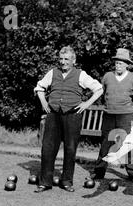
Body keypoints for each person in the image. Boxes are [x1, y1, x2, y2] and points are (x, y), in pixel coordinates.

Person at [34, 46, 103, 193]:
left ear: (74, 60)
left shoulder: (80, 74)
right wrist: (44, 103)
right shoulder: (53, 72)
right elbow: (39, 88)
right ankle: (45, 182)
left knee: (70, 149)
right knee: (48, 148)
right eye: (61, 59)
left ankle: (66, 181)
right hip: (53, 115)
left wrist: (86, 104)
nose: (63, 62)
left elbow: (99, 89)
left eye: (66, 59)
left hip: (73, 115)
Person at [90, 48, 133, 182]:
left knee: (129, 144)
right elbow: (102, 93)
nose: (118, 65)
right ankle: (99, 171)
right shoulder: (107, 76)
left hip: (127, 115)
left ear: (127, 64)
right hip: (109, 114)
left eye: (121, 63)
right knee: (106, 143)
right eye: (117, 63)